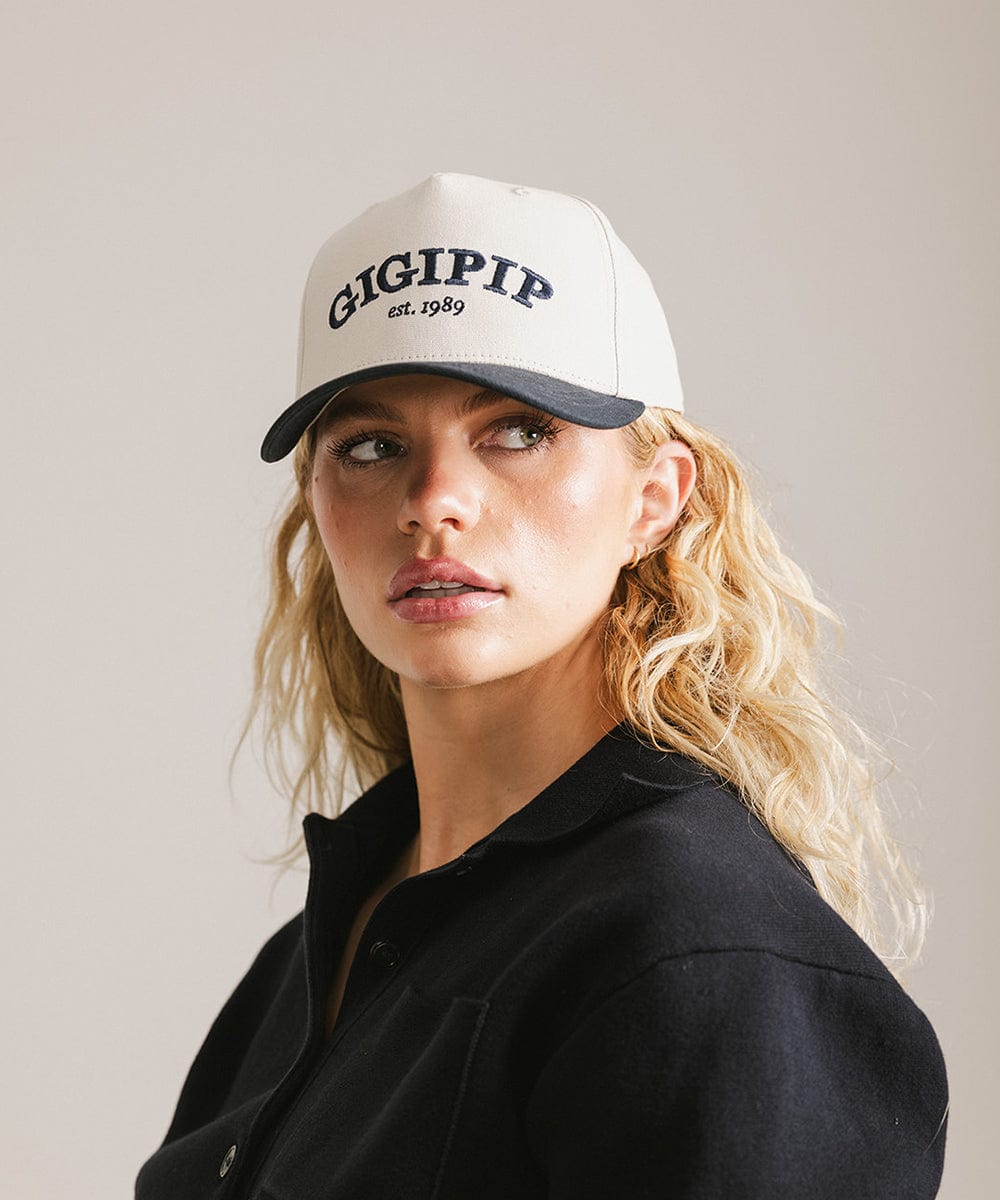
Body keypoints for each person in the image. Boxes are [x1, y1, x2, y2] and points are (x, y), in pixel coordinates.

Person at [135, 173, 948, 1199]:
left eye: (517, 431)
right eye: (372, 447)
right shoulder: (320, 953)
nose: (433, 504)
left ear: (655, 498)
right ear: (315, 499)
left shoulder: (705, 961)